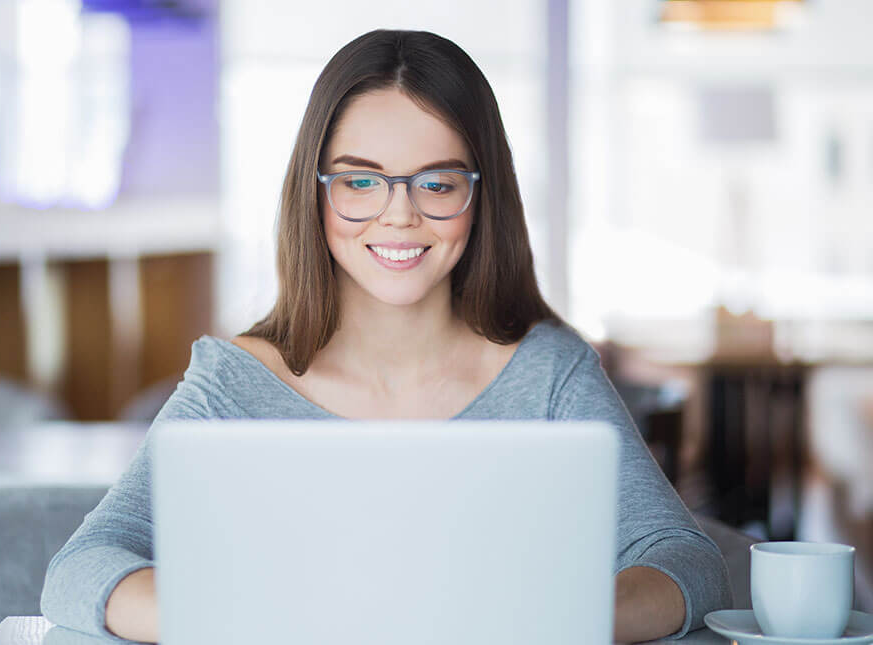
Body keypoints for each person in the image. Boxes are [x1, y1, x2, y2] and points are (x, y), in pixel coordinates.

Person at [40, 29, 732, 643]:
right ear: (315, 194)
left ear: (480, 195)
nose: (398, 216)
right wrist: (252, 623)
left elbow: (687, 559)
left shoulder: (548, 371)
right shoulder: (234, 380)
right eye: (361, 181)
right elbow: (81, 569)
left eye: (436, 183)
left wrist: (553, 620)